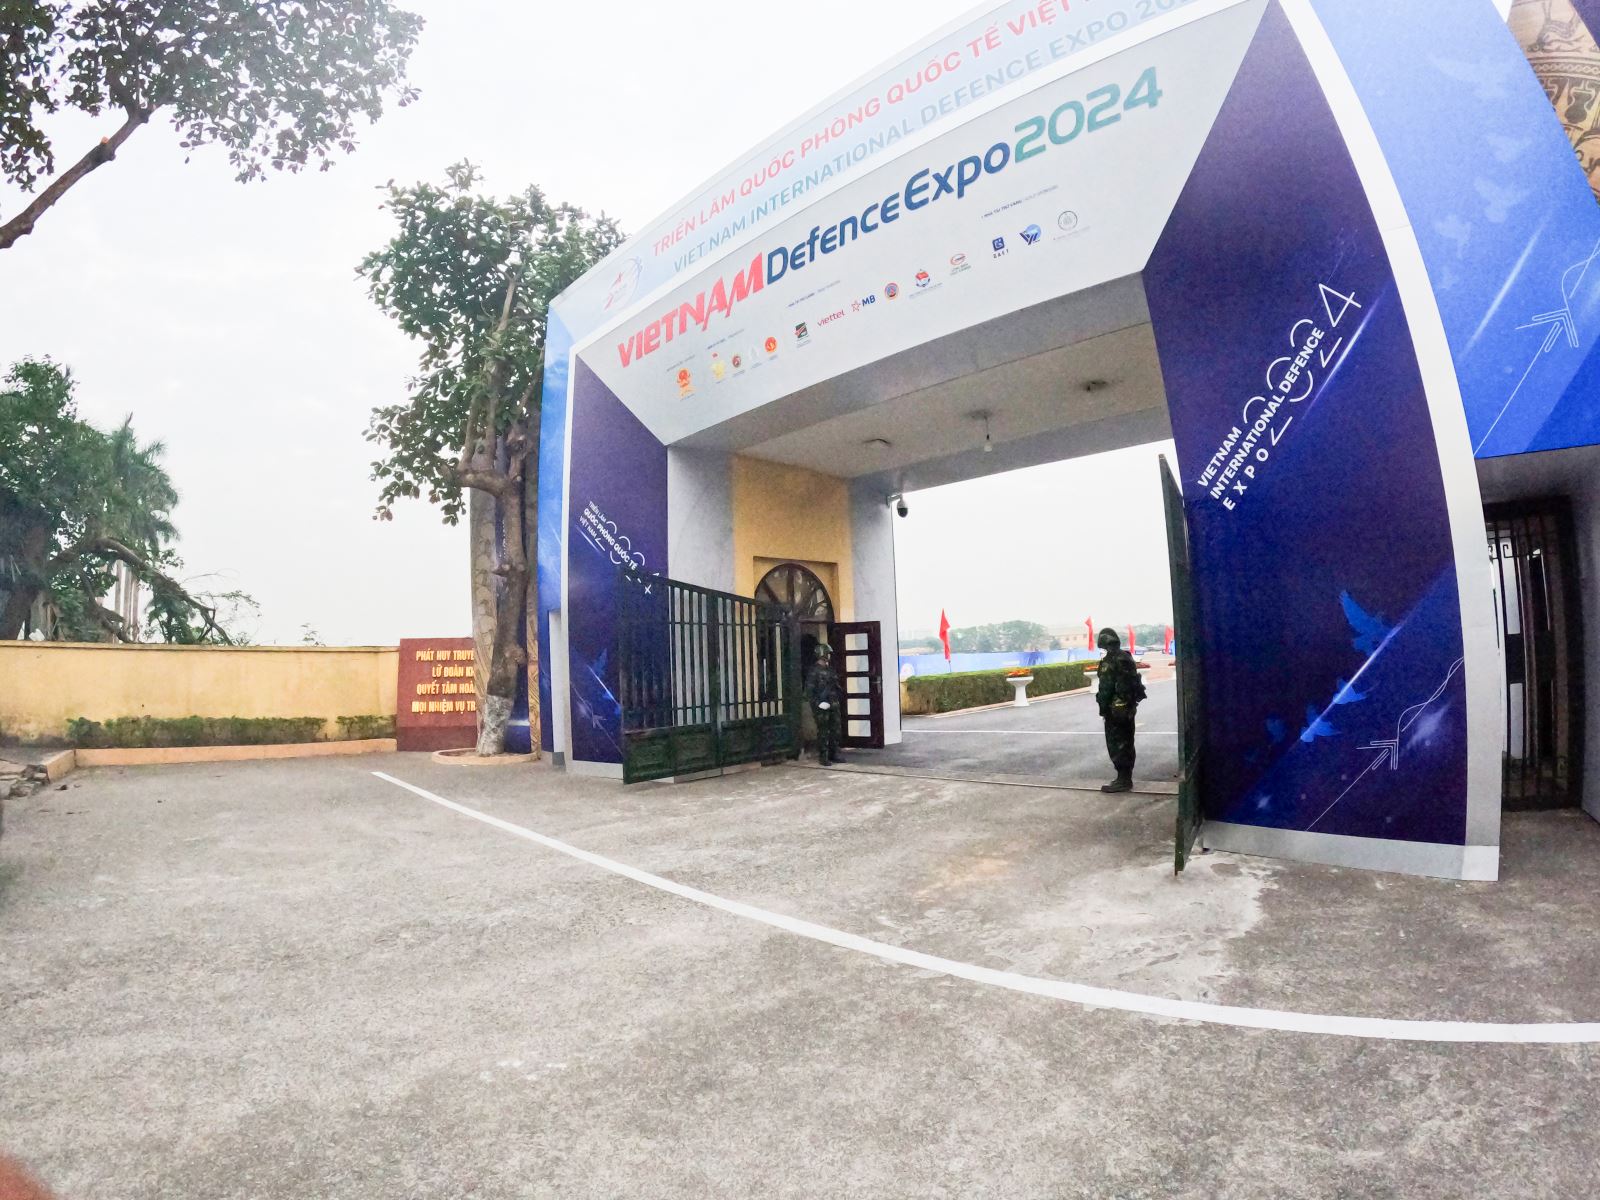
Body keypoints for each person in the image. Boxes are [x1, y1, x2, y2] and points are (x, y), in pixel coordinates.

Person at [1095, 627, 1146, 793]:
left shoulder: (1110, 661)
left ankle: (1123, 779)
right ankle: (1125, 777)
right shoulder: (1126, 657)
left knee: (1117, 743)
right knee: (1127, 741)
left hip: (1115, 710)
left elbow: (1106, 688)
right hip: (1128, 707)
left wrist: (1103, 708)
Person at [805, 643, 844, 766]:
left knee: (835, 730)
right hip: (822, 706)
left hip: (833, 704)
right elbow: (809, 692)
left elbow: (836, 686)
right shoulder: (814, 671)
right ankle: (823, 756)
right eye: (828, 653)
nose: (829, 656)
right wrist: (818, 703)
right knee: (823, 732)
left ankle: (834, 753)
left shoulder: (830, 670)